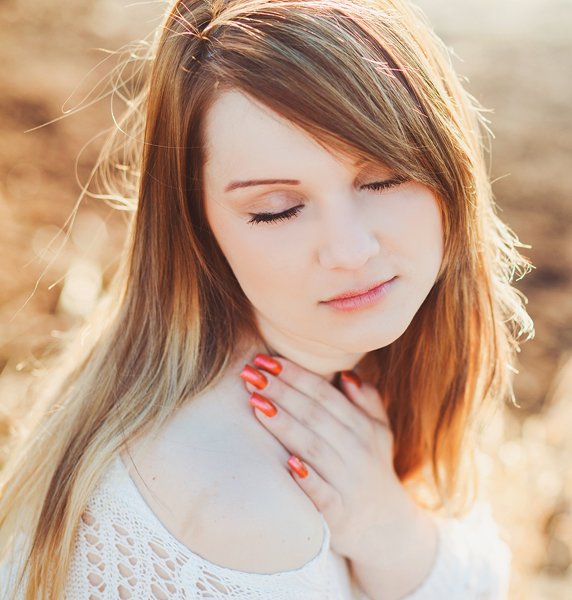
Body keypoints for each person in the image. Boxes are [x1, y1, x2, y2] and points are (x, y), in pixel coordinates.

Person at [0, 0, 533, 598]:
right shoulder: (245, 510)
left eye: (382, 177)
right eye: (277, 209)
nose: (350, 249)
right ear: (197, 226)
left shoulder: (333, 381)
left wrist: (392, 530)